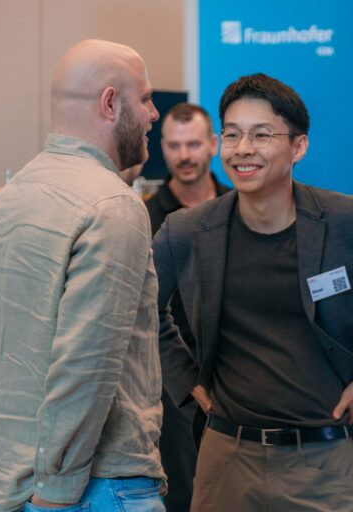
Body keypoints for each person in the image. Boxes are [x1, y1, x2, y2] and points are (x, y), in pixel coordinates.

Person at [153, 73, 353, 512]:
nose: (243, 148)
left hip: (321, 461)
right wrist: (186, 381)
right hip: (225, 458)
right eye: (232, 134)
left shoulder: (349, 222)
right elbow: (141, 308)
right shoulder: (187, 231)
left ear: (298, 147)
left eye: (262, 135)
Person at [0, 39, 164, 512]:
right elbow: (87, 366)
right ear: (110, 103)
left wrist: (3, 479)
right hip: (92, 489)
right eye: (146, 98)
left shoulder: (8, 201)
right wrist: (54, 495)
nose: (154, 114)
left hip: (10, 487)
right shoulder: (114, 206)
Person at [145, 103, 231, 512]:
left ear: (213, 144)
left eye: (193, 144)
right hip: (172, 385)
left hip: (236, 375)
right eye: (175, 145)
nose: (184, 155)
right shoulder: (144, 218)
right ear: (162, 147)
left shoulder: (241, 208)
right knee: (184, 494)